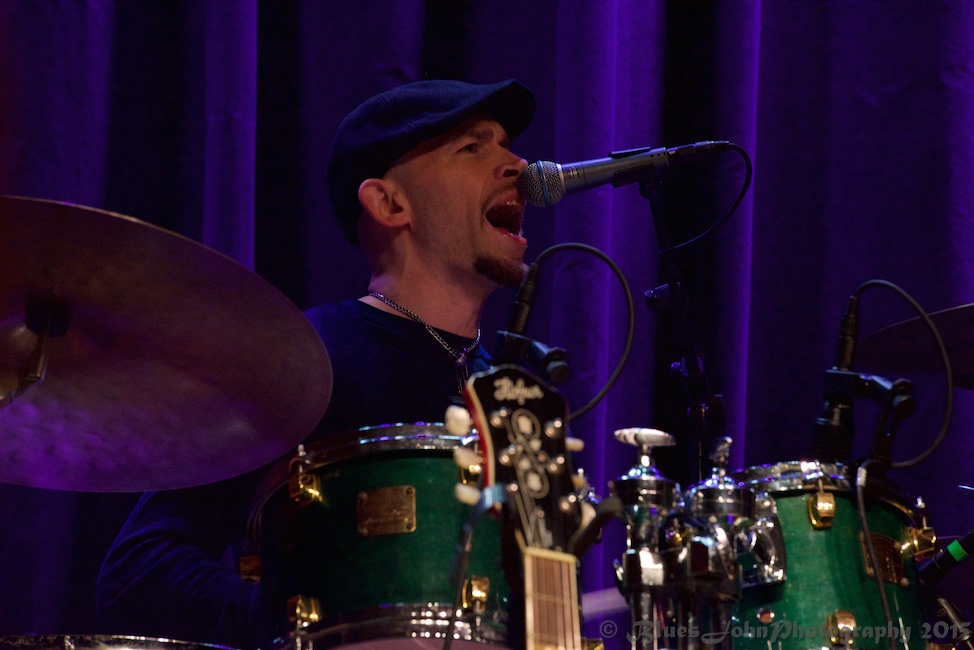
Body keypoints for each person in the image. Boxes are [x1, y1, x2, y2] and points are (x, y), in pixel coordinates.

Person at [95, 78, 537, 649]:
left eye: (507, 144)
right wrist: (310, 622)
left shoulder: (519, 395)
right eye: (474, 147)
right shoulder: (299, 359)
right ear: (389, 203)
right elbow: (140, 571)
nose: (518, 165)